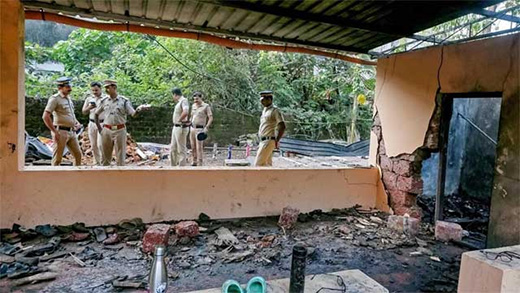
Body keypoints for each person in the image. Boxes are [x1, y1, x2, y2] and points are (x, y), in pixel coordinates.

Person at [94, 80, 148, 166]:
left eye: (108, 87)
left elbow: (133, 114)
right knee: (105, 157)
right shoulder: (104, 101)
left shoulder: (124, 101)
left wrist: (139, 110)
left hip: (120, 130)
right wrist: (100, 129)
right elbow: (96, 114)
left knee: (120, 156)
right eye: (106, 88)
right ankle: (105, 177)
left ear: (114, 87)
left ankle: (119, 176)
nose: (106, 89)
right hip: (107, 129)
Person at [42, 77, 82, 166]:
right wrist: (55, 131)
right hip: (61, 132)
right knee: (57, 159)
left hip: (72, 132)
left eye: (70, 86)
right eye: (67, 87)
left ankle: (76, 178)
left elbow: (70, 114)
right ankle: (54, 178)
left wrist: (76, 122)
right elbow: (45, 116)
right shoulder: (55, 99)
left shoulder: (68, 98)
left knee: (78, 155)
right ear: (60, 88)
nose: (70, 89)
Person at [254, 90, 286, 167]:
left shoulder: (275, 111)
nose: (261, 102)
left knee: (258, 165)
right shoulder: (265, 110)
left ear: (269, 99)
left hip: (268, 140)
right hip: (263, 141)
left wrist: (277, 140)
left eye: (263, 100)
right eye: (261, 100)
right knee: (266, 165)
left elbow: (282, 125)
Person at [82, 82, 105, 165]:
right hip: (92, 123)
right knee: (93, 145)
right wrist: (90, 107)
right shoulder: (89, 99)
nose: (95, 92)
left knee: (100, 144)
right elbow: (84, 111)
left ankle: (103, 161)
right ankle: (97, 162)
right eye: (93, 90)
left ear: (100, 89)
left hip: (102, 123)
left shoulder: (105, 98)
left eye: (96, 90)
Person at [189, 91, 213, 166]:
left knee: (199, 147)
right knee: (192, 146)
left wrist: (206, 127)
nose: (195, 100)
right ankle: (194, 161)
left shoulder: (206, 106)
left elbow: (211, 117)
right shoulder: (193, 106)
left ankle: (200, 162)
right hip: (192, 128)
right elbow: (191, 116)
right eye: (194, 99)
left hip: (200, 129)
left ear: (201, 98)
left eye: (197, 99)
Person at [170, 88, 190, 166]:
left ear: (175, 94)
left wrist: (179, 119)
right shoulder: (179, 103)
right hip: (176, 127)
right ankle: (173, 166)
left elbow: (186, 111)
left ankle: (182, 167)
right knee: (173, 148)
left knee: (181, 148)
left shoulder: (184, 101)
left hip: (181, 127)